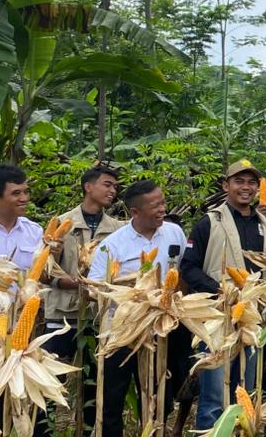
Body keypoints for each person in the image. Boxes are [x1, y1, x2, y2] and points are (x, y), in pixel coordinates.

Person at [181, 159, 266, 430]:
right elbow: (188, 267)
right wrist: (220, 290)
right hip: (217, 318)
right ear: (226, 186)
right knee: (214, 394)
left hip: (252, 318)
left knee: (245, 393)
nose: (246, 188)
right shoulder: (208, 223)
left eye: (251, 182)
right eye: (239, 181)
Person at [86, 180, 189, 437]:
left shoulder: (175, 233)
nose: (162, 209)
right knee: (113, 396)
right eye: (156, 205)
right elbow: (94, 288)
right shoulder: (112, 245)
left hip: (162, 329)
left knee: (159, 394)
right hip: (121, 332)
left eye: (163, 202)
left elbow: (183, 273)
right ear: (135, 212)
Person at [37, 163, 125, 437]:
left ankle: (89, 430)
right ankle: (43, 431)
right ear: (89, 187)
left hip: (98, 318)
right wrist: (67, 281)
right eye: (106, 185)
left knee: (93, 383)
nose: (113, 190)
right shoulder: (62, 224)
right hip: (62, 313)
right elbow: (42, 271)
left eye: (114, 186)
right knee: (49, 380)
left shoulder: (118, 228)